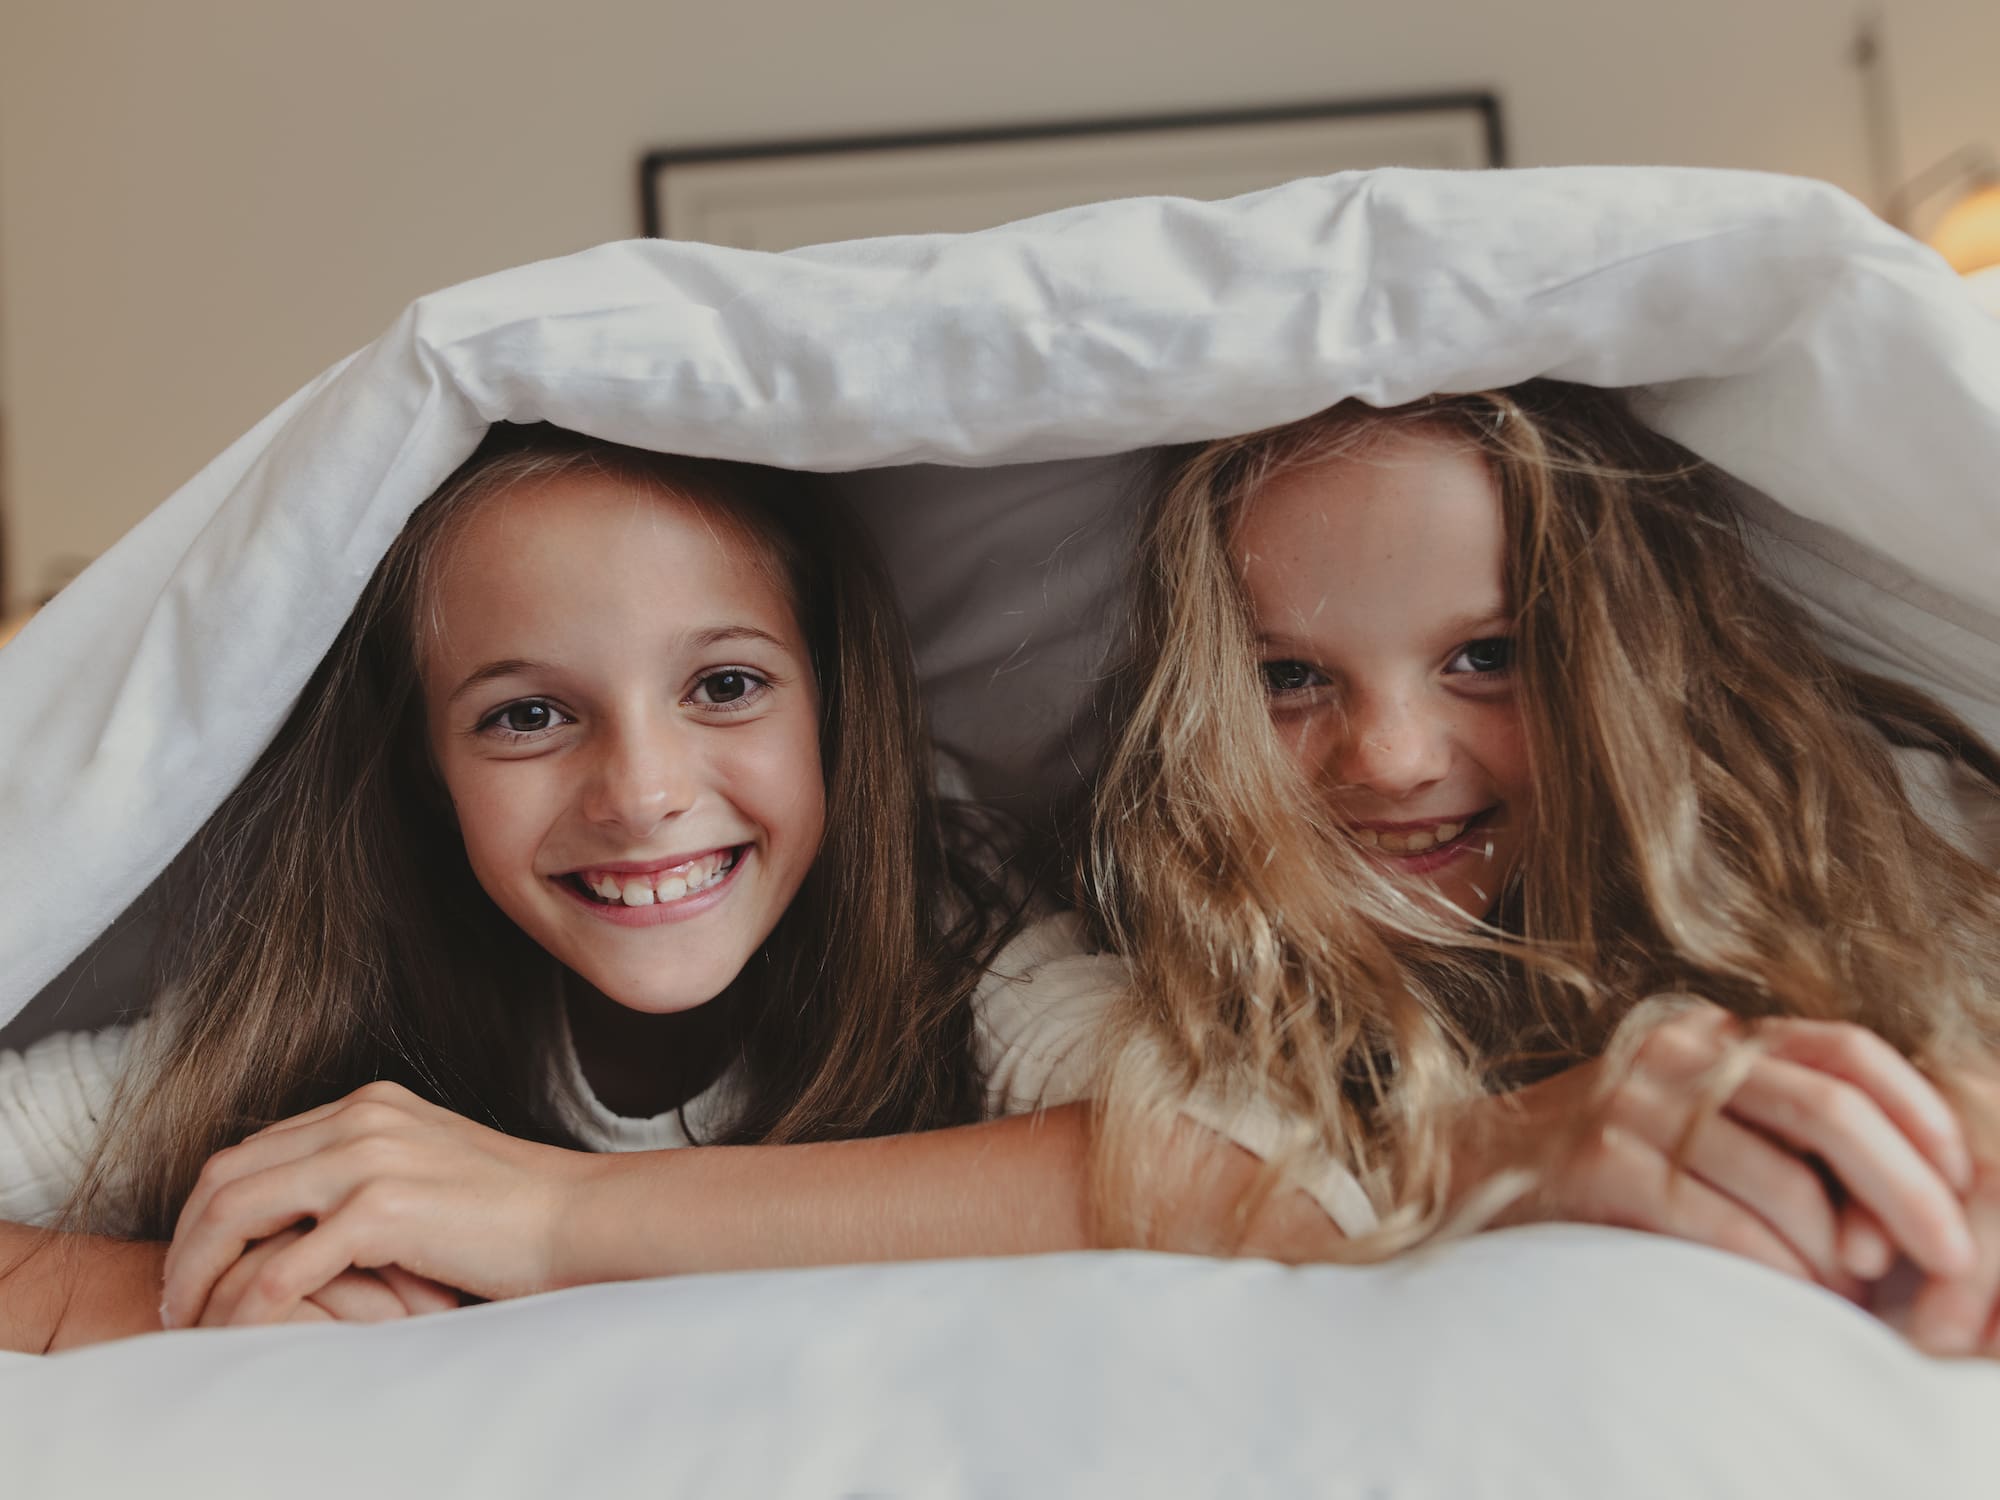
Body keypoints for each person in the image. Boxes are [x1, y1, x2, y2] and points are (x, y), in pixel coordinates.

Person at [0, 422, 1139, 1349]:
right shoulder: (346, 997)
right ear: (426, 765)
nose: (640, 794)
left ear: (834, 705)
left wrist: (550, 1218)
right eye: (527, 715)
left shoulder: (951, 938)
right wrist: (183, 1298)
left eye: (726, 684)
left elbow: (1258, 1163)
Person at [1083, 380, 2000, 1356]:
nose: (1391, 760)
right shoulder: (1112, 958)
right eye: (1287, 678)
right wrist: (1477, 1157)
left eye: (1484, 654)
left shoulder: (1880, 834)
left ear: (1625, 670)